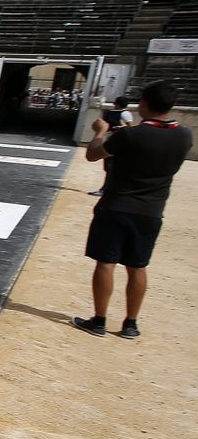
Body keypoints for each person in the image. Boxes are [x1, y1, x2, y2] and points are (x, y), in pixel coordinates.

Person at [73, 80, 190, 340]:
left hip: (117, 205)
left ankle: (99, 320)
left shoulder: (131, 135)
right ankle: (131, 323)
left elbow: (93, 154)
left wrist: (100, 132)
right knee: (138, 266)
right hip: (152, 210)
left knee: (106, 262)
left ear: (144, 103)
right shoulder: (184, 135)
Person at [88, 95, 134, 197]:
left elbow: (130, 128)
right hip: (112, 140)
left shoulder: (124, 114)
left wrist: (120, 128)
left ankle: (105, 189)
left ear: (116, 103)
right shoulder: (113, 113)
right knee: (109, 167)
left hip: (117, 142)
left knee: (110, 167)